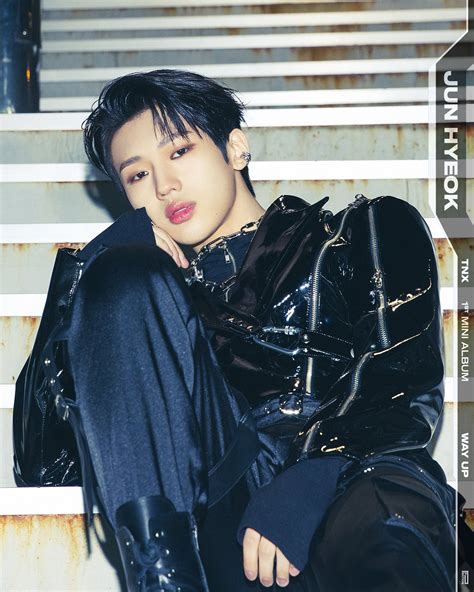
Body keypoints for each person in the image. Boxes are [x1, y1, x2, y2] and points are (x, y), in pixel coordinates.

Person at [12, 68, 472, 592]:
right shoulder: (144, 305)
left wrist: (309, 479)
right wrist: (95, 265)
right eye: (137, 176)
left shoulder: (363, 230)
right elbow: (46, 468)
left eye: (179, 150)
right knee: (123, 278)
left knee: (382, 508)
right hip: (220, 510)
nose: (164, 186)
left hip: (352, 479)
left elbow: (400, 380)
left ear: (235, 148)